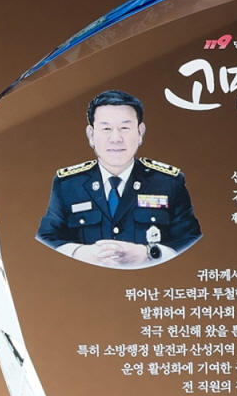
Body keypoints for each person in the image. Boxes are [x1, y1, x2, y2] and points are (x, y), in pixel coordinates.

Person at [36, 90, 202, 268]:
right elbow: (46, 238)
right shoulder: (68, 184)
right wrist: (79, 253)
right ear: (91, 135)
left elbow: (190, 240)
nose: (116, 139)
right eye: (106, 129)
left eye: (125, 128)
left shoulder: (167, 182)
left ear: (140, 132)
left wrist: (150, 254)